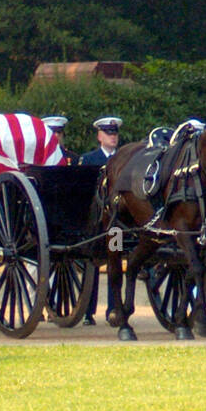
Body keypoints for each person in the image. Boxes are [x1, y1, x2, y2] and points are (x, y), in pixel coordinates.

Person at [81, 116, 122, 323]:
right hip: (96, 221)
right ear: (99, 136)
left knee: (115, 261)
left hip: (117, 222)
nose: (112, 137)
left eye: (114, 133)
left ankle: (114, 308)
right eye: (108, 133)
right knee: (92, 265)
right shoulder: (89, 159)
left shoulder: (124, 158)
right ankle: (88, 312)